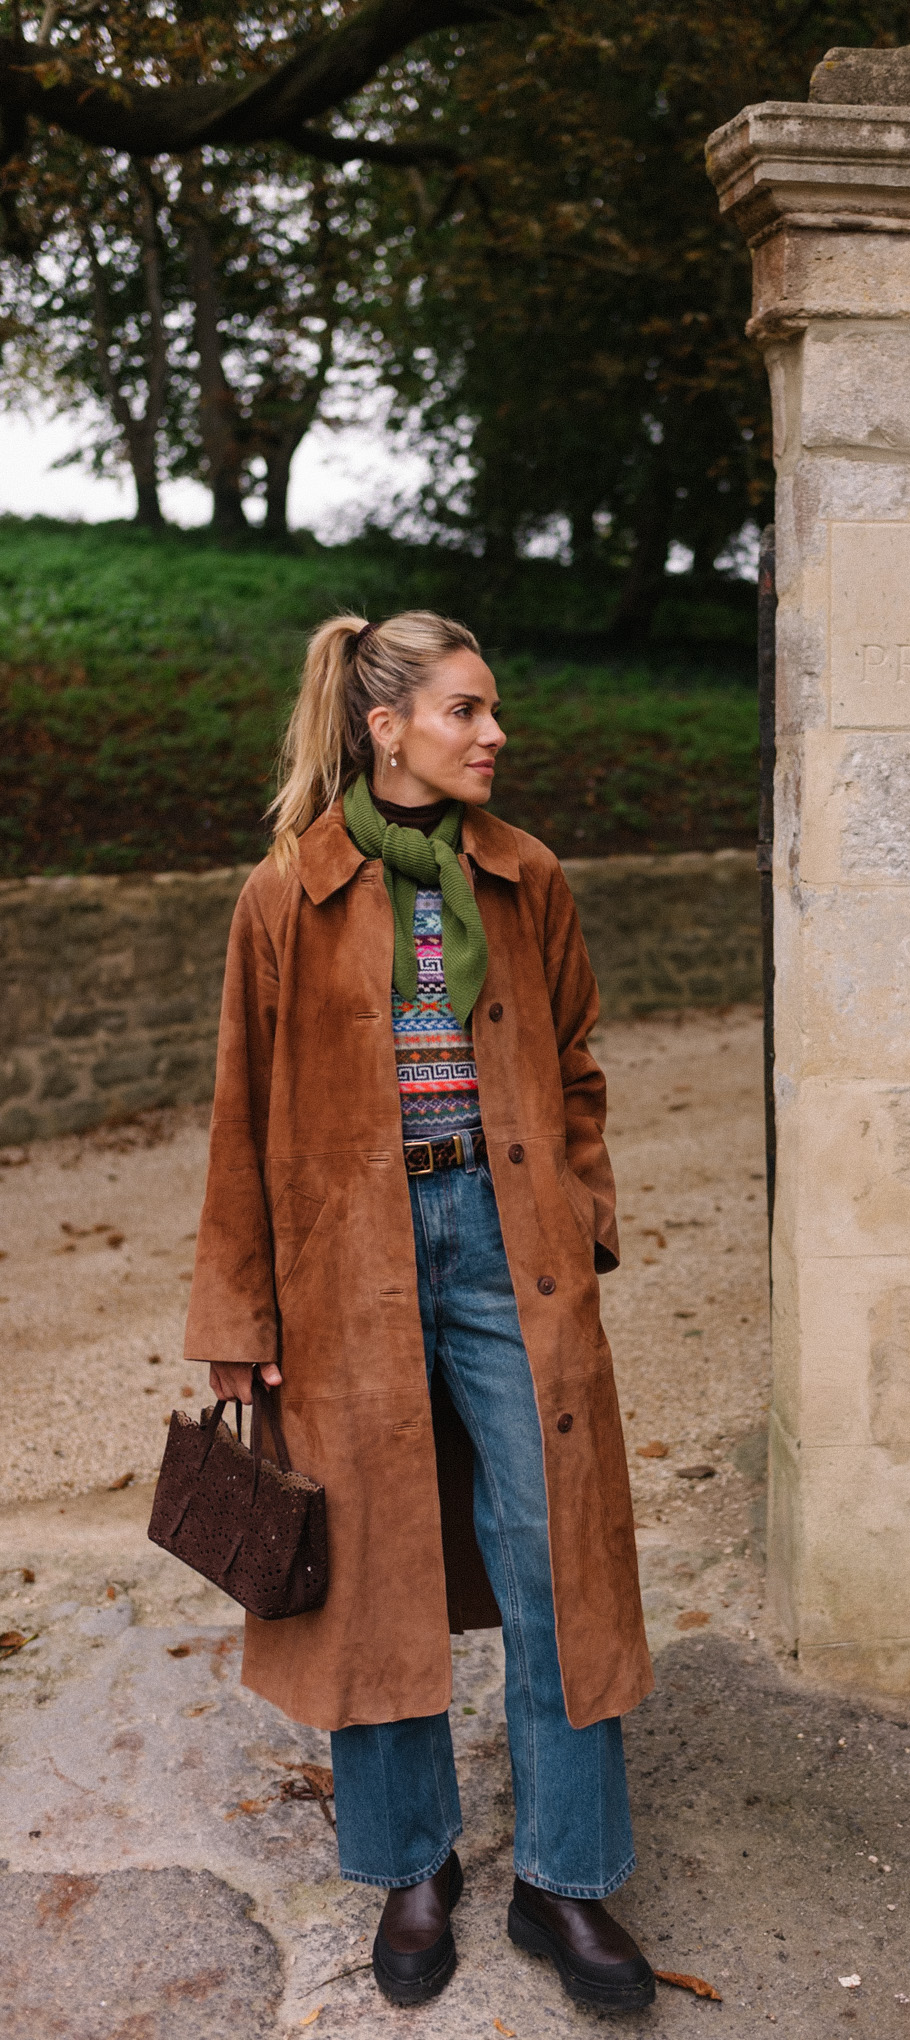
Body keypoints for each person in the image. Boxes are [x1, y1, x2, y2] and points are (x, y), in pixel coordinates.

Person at [184, 610, 656, 2011]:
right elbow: (238, 1112)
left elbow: (575, 1065)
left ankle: (568, 1886)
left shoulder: (530, 878)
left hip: (515, 1251)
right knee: (372, 1565)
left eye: (493, 709)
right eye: (464, 711)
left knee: (552, 1548)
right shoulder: (287, 893)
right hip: (353, 1267)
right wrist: (238, 1308)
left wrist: (586, 1209)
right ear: (386, 727)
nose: (493, 732)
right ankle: (412, 1867)